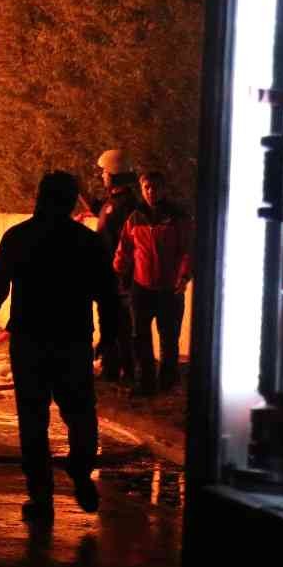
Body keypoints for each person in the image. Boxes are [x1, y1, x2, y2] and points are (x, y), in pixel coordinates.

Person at [0, 170, 120, 527]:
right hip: (72, 340)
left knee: (33, 418)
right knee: (80, 412)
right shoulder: (86, 241)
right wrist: (109, 337)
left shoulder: (19, 237)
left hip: (29, 342)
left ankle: (40, 495)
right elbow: (109, 295)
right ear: (70, 201)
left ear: (39, 197)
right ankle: (81, 472)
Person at [114, 169, 193, 396]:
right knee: (140, 336)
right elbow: (125, 247)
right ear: (141, 189)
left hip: (170, 288)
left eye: (155, 187)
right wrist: (118, 270)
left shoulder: (177, 217)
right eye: (146, 187)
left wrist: (184, 276)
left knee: (169, 338)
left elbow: (187, 250)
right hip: (141, 286)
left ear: (164, 188)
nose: (150, 191)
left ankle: (167, 382)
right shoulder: (135, 217)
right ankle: (145, 382)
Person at [90, 148, 140, 383]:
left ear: (114, 173)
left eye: (104, 172)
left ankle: (126, 372)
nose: (102, 176)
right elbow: (100, 210)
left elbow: (125, 243)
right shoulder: (114, 202)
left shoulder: (126, 206)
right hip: (107, 274)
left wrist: (122, 276)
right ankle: (111, 368)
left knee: (120, 324)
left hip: (118, 275)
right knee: (110, 321)